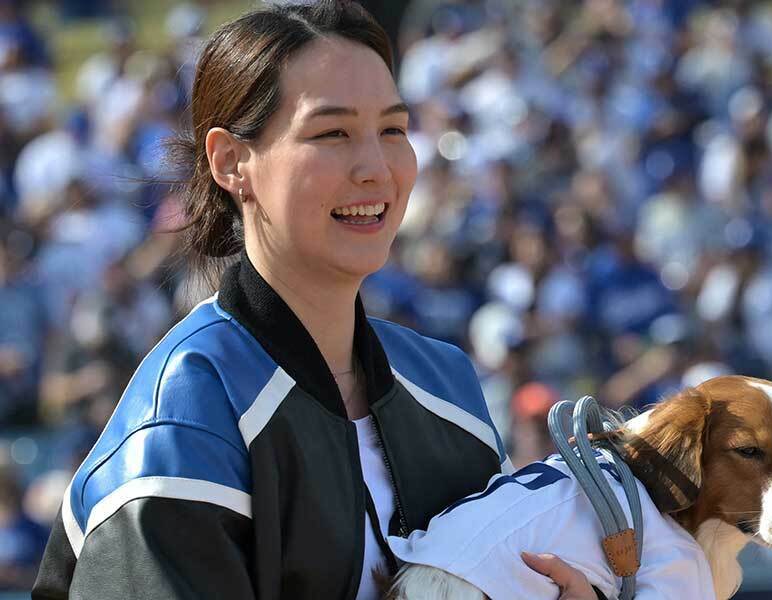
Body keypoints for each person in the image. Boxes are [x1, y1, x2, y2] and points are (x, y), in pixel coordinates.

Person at [33, 2, 602, 598]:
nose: (376, 168)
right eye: (332, 133)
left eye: (393, 130)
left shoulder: (448, 385)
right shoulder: (181, 419)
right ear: (231, 162)